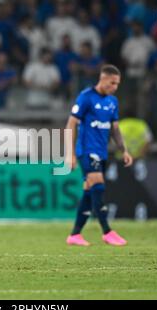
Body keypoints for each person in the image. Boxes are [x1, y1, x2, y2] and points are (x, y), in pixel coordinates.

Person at [65, 64, 133, 247]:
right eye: (112, 83)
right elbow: (71, 125)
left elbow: (115, 130)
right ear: (103, 79)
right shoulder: (86, 97)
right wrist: (70, 154)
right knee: (99, 186)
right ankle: (107, 231)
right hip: (86, 151)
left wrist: (124, 150)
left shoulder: (113, 102)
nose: (115, 87)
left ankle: (75, 235)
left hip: (102, 153)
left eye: (117, 84)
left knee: (89, 192)